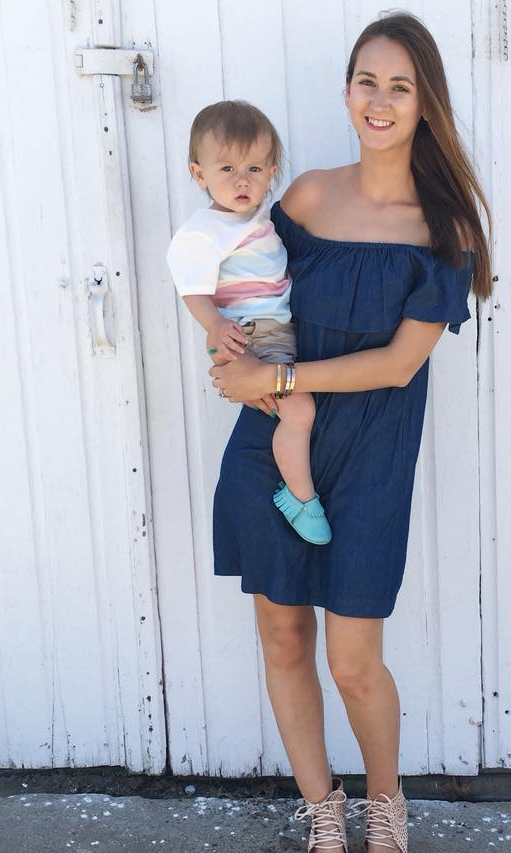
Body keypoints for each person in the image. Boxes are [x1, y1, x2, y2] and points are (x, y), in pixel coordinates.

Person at [208, 12, 493, 853]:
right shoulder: (299, 201)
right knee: (283, 637)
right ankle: (323, 814)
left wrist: (281, 369)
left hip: (371, 453)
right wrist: (230, 356)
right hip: (273, 445)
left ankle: (387, 804)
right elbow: (241, 288)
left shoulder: (443, 227)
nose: (378, 100)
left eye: (399, 86)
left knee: (355, 660)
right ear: (345, 90)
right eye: (366, 80)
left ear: (424, 103)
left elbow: (399, 364)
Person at [166, 100, 331, 545]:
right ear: (199, 175)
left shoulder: (262, 216)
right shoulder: (203, 232)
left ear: (272, 171)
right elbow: (192, 288)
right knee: (299, 409)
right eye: (227, 169)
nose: (243, 180)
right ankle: (299, 496)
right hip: (249, 332)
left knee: (294, 410)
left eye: (255, 169)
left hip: (274, 329)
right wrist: (215, 328)